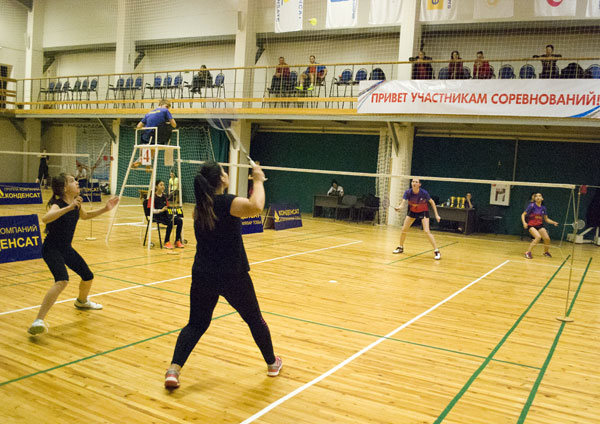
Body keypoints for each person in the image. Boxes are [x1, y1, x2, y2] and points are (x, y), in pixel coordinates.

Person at [164, 162, 281, 389]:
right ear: (221, 179)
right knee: (254, 319)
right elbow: (257, 206)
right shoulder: (228, 203)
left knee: (196, 324)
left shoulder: (199, 208)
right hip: (232, 275)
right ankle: (272, 363)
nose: (227, 174)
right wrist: (258, 179)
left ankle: (173, 370)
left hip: (203, 274)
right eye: (224, 172)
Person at [28, 173, 119, 335]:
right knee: (62, 280)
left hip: (66, 248)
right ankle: (38, 320)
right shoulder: (58, 204)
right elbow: (45, 219)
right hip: (51, 249)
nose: (76, 182)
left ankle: (81, 302)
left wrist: (106, 209)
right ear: (64, 188)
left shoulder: (77, 203)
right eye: (71, 181)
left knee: (88, 276)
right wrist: (68, 208)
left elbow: (86, 216)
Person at [393, 179, 442, 260]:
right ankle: (400, 247)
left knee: (426, 231)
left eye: (416, 182)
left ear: (419, 184)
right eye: (413, 182)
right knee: (404, 229)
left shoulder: (424, 193)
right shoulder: (408, 192)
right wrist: (399, 208)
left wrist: (437, 215)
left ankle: (437, 251)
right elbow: (402, 204)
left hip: (423, 211)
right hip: (413, 211)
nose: (414, 183)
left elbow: (432, 202)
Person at [132, 101, 177, 168]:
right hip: (158, 137)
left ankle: (141, 159)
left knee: (145, 143)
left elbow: (139, 126)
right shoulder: (165, 111)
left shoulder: (148, 113)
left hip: (146, 137)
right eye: (167, 107)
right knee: (155, 142)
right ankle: (148, 161)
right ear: (161, 105)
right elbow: (174, 124)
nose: (167, 109)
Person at [521, 192, 559, 259]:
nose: (538, 197)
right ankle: (528, 252)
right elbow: (523, 214)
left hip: (539, 225)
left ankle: (546, 252)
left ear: (542, 198)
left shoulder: (543, 208)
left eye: (539, 196)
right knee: (538, 237)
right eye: (536, 196)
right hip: (531, 225)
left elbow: (546, 219)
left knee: (547, 238)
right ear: (535, 198)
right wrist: (524, 223)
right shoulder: (531, 206)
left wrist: (553, 222)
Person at [148, 179, 184, 249]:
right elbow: (151, 210)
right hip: (157, 216)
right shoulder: (152, 197)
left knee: (179, 220)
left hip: (166, 215)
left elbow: (168, 207)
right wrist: (160, 210)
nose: (163, 186)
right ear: (156, 186)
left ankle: (177, 240)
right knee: (170, 221)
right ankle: (166, 242)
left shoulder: (164, 196)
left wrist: (174, 210)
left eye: (163, 185)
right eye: (161, 185)